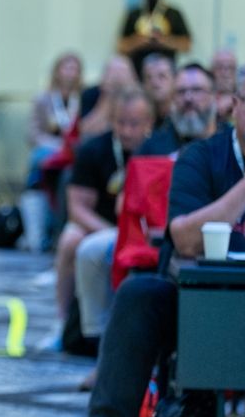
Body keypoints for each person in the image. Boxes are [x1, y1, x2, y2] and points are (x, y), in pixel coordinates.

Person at [88, 62, 245, 416]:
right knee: (138, 294)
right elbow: (184, 239)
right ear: (235, 106)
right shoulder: (201, 157)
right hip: (204, 302)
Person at [73, 64, 218, 391]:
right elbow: (126, 203)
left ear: (215, 98)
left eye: (197, 91)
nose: (189, 99)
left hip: (211, 242)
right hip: (150, 239)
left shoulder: (226, 144)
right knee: (92, 251)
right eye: (181, 92)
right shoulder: (155, 144)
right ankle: (103, 356)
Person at [45, 89, 152, 352]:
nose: (126, 131)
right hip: (101, 225)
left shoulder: (160, 149)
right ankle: (63, 323)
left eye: (134, 124)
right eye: (120, 123)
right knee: (70, 240)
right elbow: (77, 209)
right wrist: (116, 231)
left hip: (147, 229)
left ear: (149, 124)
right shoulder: (93, 149)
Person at [21, 53, 83, 251]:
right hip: (50, 149)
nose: (69, 73)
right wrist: (56, 145)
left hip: (73, 152)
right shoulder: (42, 99)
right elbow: (33, 134)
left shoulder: (82, 100)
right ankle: (37, 223)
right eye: (66, 68)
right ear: (57, 71)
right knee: (40, 159)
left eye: (74, 68)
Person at [117, 0, 191, 78]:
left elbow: (187, 45)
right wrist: (140, 40)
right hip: (138, 73)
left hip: (166, 74)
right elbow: (121, 47)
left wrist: (163, 41)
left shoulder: (173, 14)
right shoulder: (135, 14)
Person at [79, 56, 137, 140]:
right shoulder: (90, 93)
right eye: (113, 71)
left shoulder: (140, 96)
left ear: (133, 77)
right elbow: (85, 131)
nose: (117, 76)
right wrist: (107, 96)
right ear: (103, 75)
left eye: (122, 71)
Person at [140, 53, 174, 128]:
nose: (155, 83)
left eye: (162, 76)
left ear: (174, 80)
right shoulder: (138, 121)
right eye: (149, 77)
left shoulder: (183, 118)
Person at [210, 48, 237, 123]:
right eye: (220, 68)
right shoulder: (205, 95)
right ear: (211, 71)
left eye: (230, 68)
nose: (226, 73)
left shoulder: (244, 96)